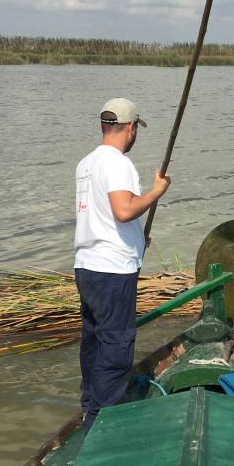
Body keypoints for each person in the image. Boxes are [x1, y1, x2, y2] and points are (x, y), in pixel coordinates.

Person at [74, 97, 171, 430]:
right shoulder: (118, 163)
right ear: (130, 128)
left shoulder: (86, 163)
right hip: (112, 270)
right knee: (116, 345)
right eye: (135, 129)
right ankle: (104, 422)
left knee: (94, 341)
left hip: (87, 265)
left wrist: (134, 237)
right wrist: (157, 191)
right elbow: (124, 209)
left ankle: (90, 406)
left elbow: (106, 216)